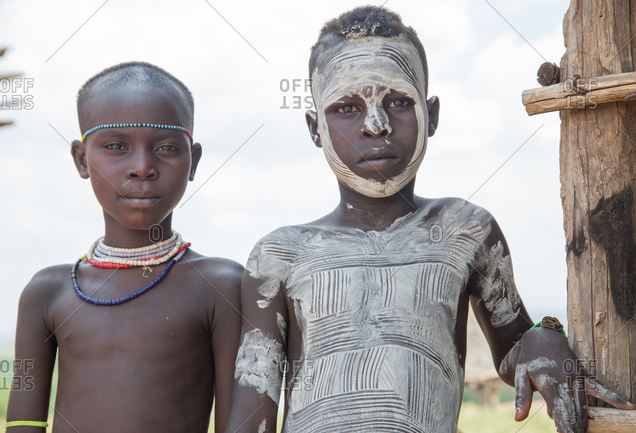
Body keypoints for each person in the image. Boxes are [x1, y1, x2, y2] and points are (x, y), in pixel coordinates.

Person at [226, 7, 636, 433]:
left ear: (432, 115)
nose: (375, 125)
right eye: (345, 108)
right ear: (315, 129)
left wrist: (542, 336)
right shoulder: (278, 257)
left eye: (399, 102)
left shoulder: (467, 230)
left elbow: (512, 350)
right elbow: (251, 411)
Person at [5, 62, 243, 433]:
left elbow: (238, 424)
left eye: (166, 148)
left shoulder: (221, 286)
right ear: (82, 159)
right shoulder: (46, 292)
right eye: (116, 147)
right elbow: (23, 420)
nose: (142, 167)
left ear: (193, 160)